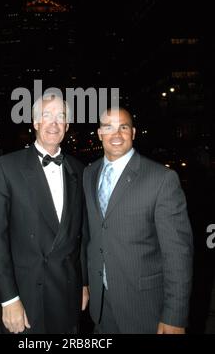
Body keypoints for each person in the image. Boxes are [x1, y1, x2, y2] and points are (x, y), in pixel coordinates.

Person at [0, 93, 89, 334]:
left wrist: (83, 283)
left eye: (60, 117)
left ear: (67, 125)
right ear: (35, 122)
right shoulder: (7, 167)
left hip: (67, 293)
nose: (54, 123)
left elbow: (82, 235)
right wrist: (8, 299)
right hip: (26, 296)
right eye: (46, 115)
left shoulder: (79, 169)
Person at [83, 107, 193, 334]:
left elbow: (178, 253)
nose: (116, 134)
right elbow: (91, 235)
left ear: (133, 132)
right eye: (108, 127)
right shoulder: (89, 173)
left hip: (144, 307)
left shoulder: (162, 179)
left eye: (123, 127)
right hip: (101, 306)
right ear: (99, 133)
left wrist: (175, 315)